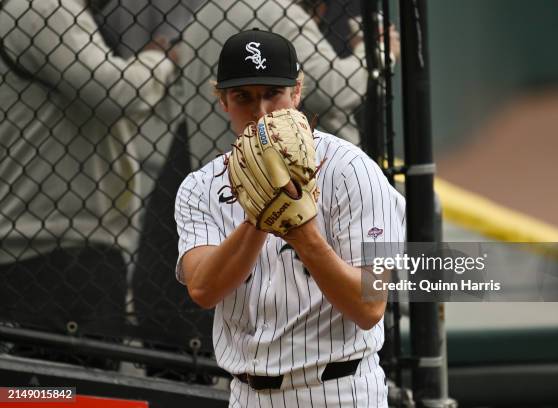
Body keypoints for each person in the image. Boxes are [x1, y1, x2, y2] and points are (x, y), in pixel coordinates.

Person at [175, 29, 405, 406]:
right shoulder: (199, 187)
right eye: (243, 97)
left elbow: (369, 307)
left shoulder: (353, 170)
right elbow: (203, 289)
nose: (261, 111)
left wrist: (302, 234)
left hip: (341, 391)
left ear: (297, 92)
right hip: (248, 396)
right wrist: (259, 219)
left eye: (272, 94)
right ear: (222, 100)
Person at [0, 0, 177, 366]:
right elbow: (116, 92)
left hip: (55, 247)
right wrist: (161, 61)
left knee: (51, 392)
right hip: (57, 250)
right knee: (69, 393)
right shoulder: (44, 8)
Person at [180, 0, 400, 157]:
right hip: (296, 183)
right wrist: (378, 51)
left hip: (218, 178)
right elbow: (333, 89)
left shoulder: (201, 16)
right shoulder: (280, 12)